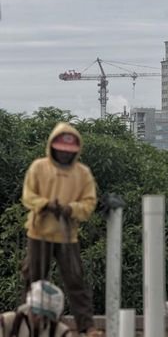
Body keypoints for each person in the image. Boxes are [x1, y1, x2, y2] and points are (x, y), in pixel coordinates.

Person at [21, 122, 100, 337]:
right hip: (39, 233)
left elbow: (89, 203)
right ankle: (27, 324)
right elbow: (28, 196)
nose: (64, 155)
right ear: (52, 147)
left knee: (76, 281)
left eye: (69, 152)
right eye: (61, 151)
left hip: (67, 235)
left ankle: (87, 326)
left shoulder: (83, 173)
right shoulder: (39, 167)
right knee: (33, 280)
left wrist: (70, 209)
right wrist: (45, 204)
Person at [0, 280, 72, 337]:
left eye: (45, 317)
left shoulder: (61, 332)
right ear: (29, 309)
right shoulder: (9, 322)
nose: (39, 318)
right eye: (35, 313)